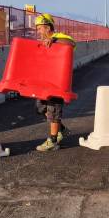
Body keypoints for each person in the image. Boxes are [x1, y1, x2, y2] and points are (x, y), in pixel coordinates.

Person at [33, 13, 75, 152]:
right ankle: (61, 129)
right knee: (40, 106)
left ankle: (52, 141)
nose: (38, 32)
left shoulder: (59, 37)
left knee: (54, 109)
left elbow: (71, 43)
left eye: (39, 28)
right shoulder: (43, 42)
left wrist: (54, 40)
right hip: (45, 82)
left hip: (57, 83)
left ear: (46, 27)